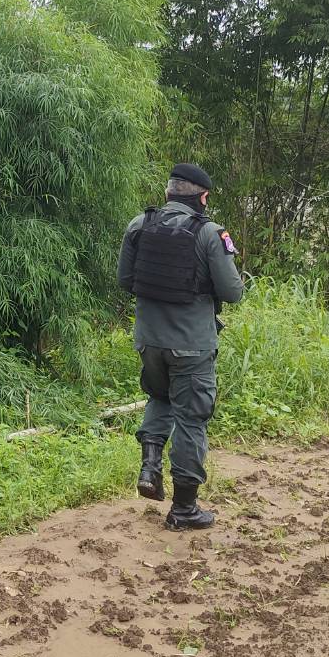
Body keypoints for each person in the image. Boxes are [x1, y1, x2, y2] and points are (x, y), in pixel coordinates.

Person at [117, 163, 244, 530]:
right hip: (191, 347)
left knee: (160, 398)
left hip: (148, 342)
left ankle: (150, 468)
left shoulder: (138, 225)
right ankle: (185, 508)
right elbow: (232, 292)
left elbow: (125, 280)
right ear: (203, 198)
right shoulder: (210, 233)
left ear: (168, 193)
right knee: (191, 419)